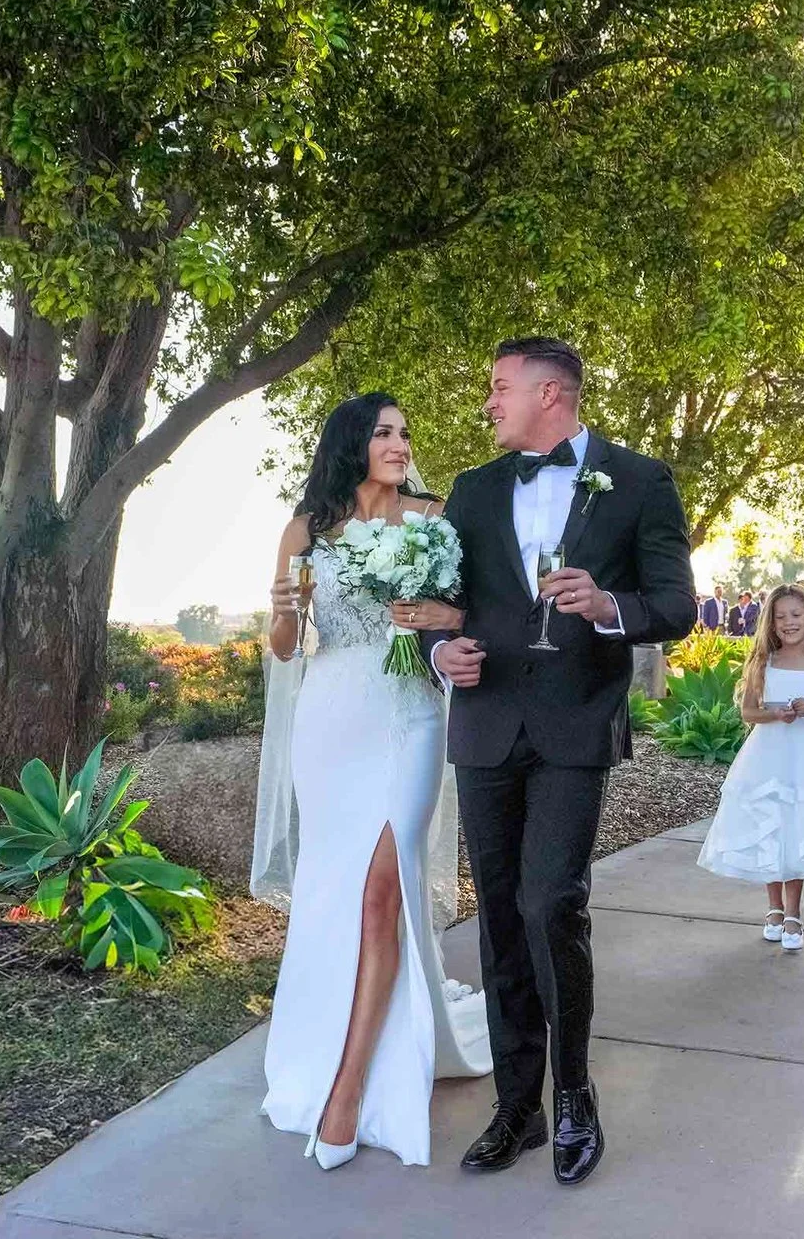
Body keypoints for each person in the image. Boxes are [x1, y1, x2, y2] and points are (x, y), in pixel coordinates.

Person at [425, 337, 696, 1186]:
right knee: (500, 916)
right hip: (485, 725)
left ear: (552, 393)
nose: (489, 403)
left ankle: (574, 1093)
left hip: (576, 725)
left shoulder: (642, 481)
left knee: (551, 904)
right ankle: (517, 1110)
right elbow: (445, 604)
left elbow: (678, 605)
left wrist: (610, 605)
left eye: (499, 387)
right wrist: (442, 653)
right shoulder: (470, 490)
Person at [253, 392, 492, 1171]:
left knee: (383, 891)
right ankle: (320, 1044)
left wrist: (431, 616)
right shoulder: (305, 529)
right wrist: (285, 609)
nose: (400, 442)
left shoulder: (434, 516)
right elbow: (287, 648)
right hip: (331, 718)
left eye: (404, 430)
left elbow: (466, 613)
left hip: (409, 716)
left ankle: (349, 1093)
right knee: (334, 889)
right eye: (385, 432)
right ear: (352, 443)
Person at [694, 585, 804, 949]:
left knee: (797, 825)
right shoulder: (762, 664)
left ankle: (794, 913)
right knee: (772, 823)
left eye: (796, 616)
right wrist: (774, 714)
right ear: (770, 623)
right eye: (781, 617)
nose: (789, 623)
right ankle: (773, 908)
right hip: (768, 753)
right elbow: (748, 711)